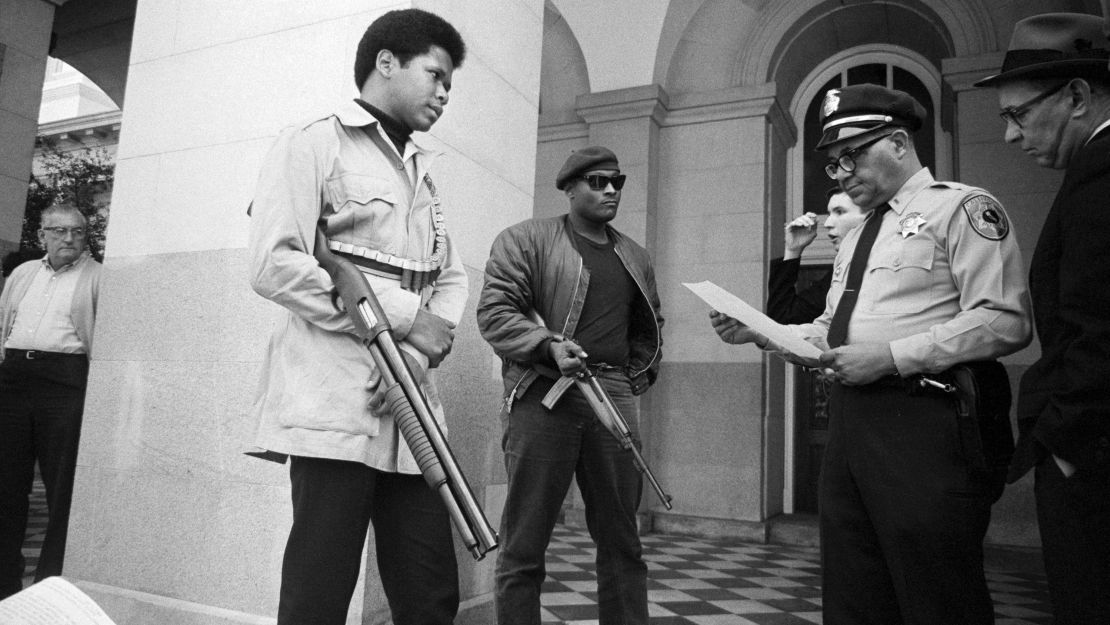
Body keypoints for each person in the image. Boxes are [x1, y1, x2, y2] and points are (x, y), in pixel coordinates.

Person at [710, 84, 1032, 625]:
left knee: (936, 591)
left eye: (850, 156)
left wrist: (892, 357)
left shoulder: (962, 208)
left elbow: (1006, 319)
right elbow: (832, 330)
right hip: (852, 426)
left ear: (900, 143)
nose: (839, 173)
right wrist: (765, 333)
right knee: (854, 591)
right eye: (832, 163)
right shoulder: (860, 235)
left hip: (926, 424)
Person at [245, 9, 468, 625]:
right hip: (336, 406)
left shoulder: (424, 171)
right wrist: (399, 317)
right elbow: (274, 263)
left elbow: (450, 276)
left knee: (431, 595)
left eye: (450, 83)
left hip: (412, 412)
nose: (445, 93)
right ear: (386, 63)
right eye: (436, 73)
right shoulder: (312, 142)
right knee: (318, 595)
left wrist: (416, 356)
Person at [477, 146, 664, 625]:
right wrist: (547, 347)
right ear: (569, 188)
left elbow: (651, 324)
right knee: (525, 541)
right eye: (597, 182)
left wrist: (635, 373)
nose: (609, 191)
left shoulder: (635, 256)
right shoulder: (525, 240)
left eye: (616, 182)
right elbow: (496, 313)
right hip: (544, 396)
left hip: (613, 396)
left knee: (623, 540)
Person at [975, 13, 1110, 623]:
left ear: (1077, 95)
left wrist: (1067, 447)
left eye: (1018, 114)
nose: (1009, 136)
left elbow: (1096, 325)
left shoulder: (1101, 170)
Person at [0, 203, 102, 599]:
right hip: (14, 380)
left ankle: (49, 586)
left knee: (61, 486)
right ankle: (5, 581)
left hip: (65, 381)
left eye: (77, 231)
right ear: (42, 234)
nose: (69, 239)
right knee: (6, 483)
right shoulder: (24, 273)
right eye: (58, 231)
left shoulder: (97, 276)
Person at [767, 188, 865, 324]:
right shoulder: (842, 270)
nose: (827, 223)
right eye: (829, 213)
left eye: (840, 212)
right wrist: (792, 250)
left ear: (870, 218)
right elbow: (782, 321)